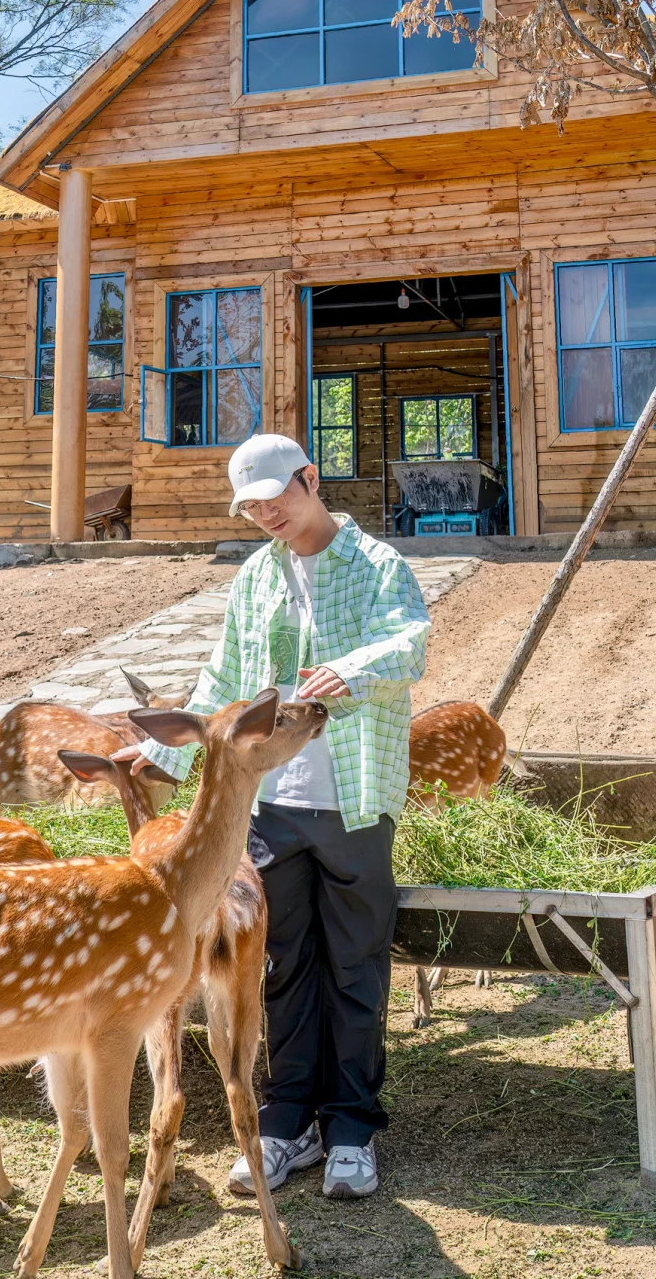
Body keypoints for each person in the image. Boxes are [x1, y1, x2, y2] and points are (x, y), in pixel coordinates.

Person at [112, 432, 429, 1199]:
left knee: (355, 964)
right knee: (280, 963)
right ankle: (287, 1119)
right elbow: (222, 676)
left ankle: (350, 1127)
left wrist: (350, 670)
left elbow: (411, 644)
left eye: (273, 499)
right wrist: (163, 752)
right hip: (270, 807)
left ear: (309, 478)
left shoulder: (378, 565)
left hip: (355, 798)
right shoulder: (256, 577)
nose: (265, 516)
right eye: (251, 508)